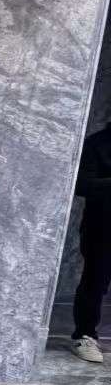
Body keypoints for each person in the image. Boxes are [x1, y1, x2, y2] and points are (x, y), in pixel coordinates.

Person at [71, 122, 111, 363]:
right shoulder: (98, 143)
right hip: (103, 227)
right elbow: (81, 184)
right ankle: (84, 336)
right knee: (95, 282)